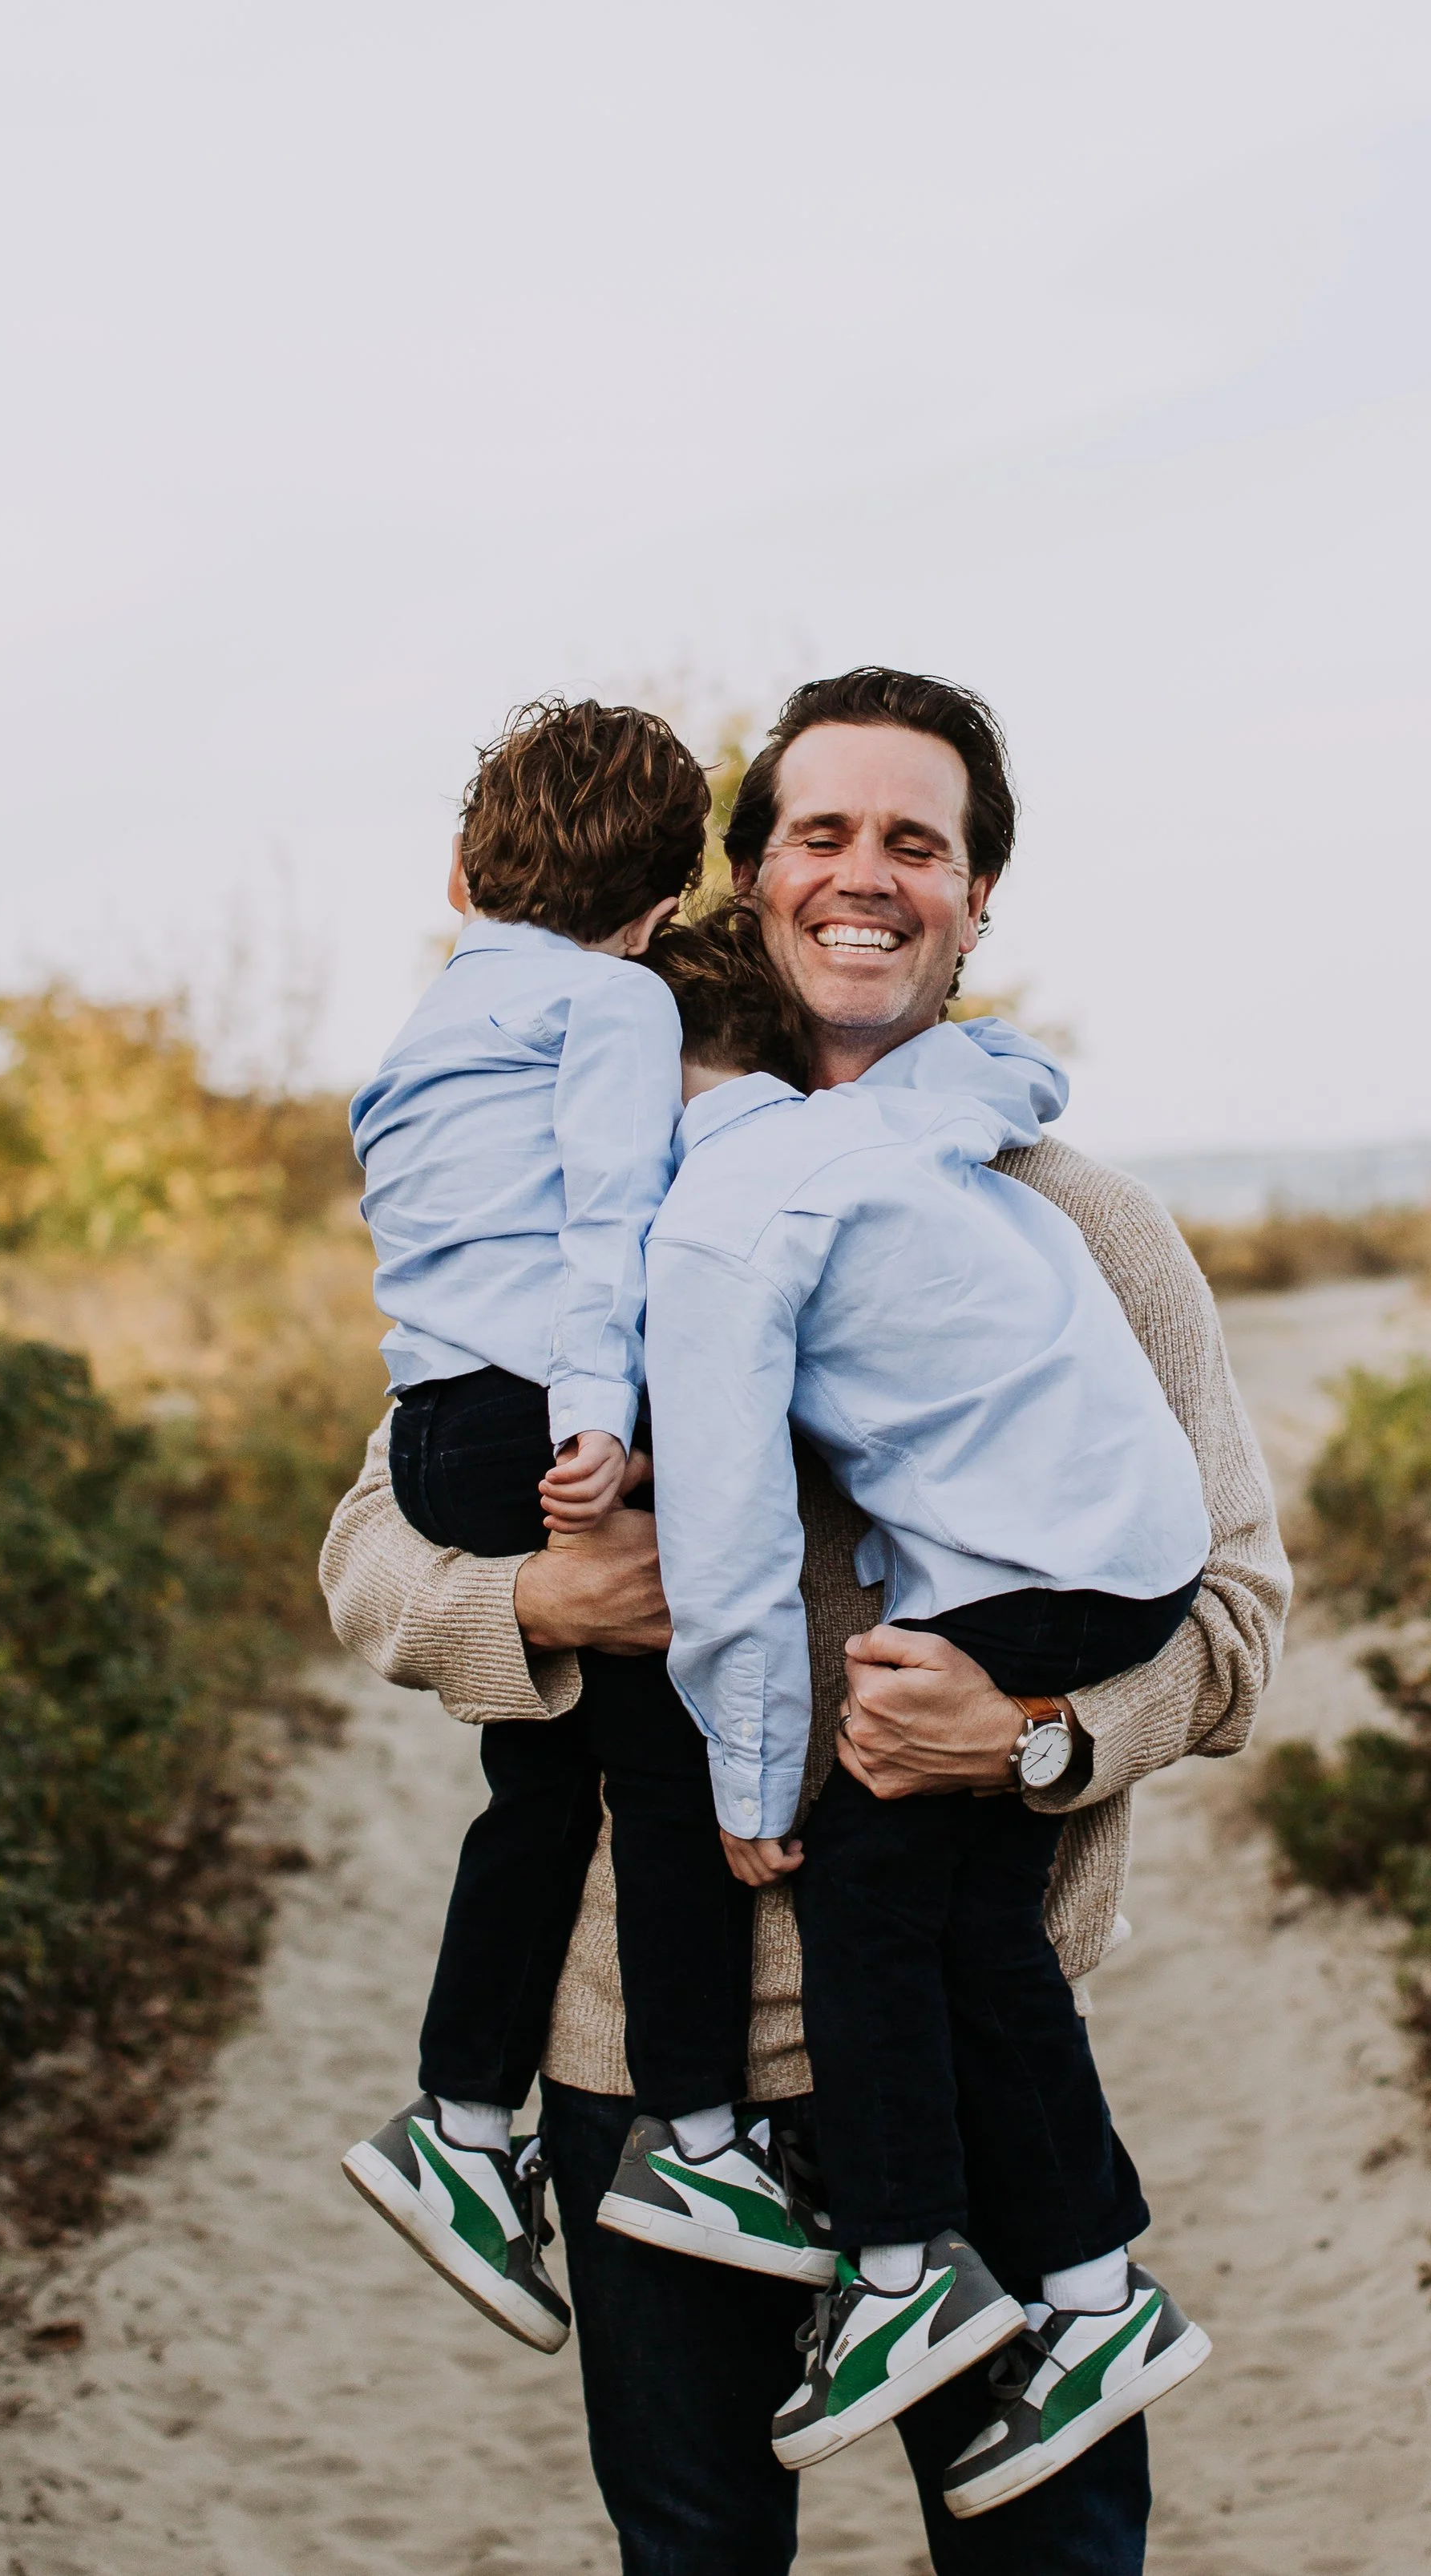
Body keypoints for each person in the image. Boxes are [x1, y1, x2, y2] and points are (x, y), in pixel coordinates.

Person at [321, 667, 1292, 2576]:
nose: (866, 876)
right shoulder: (569, 1195)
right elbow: (371, 1553)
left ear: (976, 896)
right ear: (735, 883)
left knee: (1051, 2559)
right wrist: (540, 1594)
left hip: (962, 2031)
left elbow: (1239, 1614)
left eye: (914, 842)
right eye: (819, 834)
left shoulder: (1077, 1216)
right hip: (639, 2066)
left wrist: (1029, 1732)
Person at [617, 914, 1212, 2511]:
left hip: (1036, 1578)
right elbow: (1001, 1066)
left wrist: (751, 1774)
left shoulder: (710, 1220)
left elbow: (733, 1550)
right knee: (971, 1922)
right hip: (1118, 1547)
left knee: (867, 1893)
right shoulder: (889, 1114)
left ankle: (902, 2269)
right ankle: (1092, 2300)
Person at [338, 698, 832, 2360]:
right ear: (654, 912)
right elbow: (608, 1220)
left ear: (464, 864)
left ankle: (462, 2125)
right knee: (671, 1769)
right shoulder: (617, 1000)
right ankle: (700, 2139)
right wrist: (599, 1431)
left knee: (539, 1789)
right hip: (540, 1413)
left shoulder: (423, 1023)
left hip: (433, 1425)